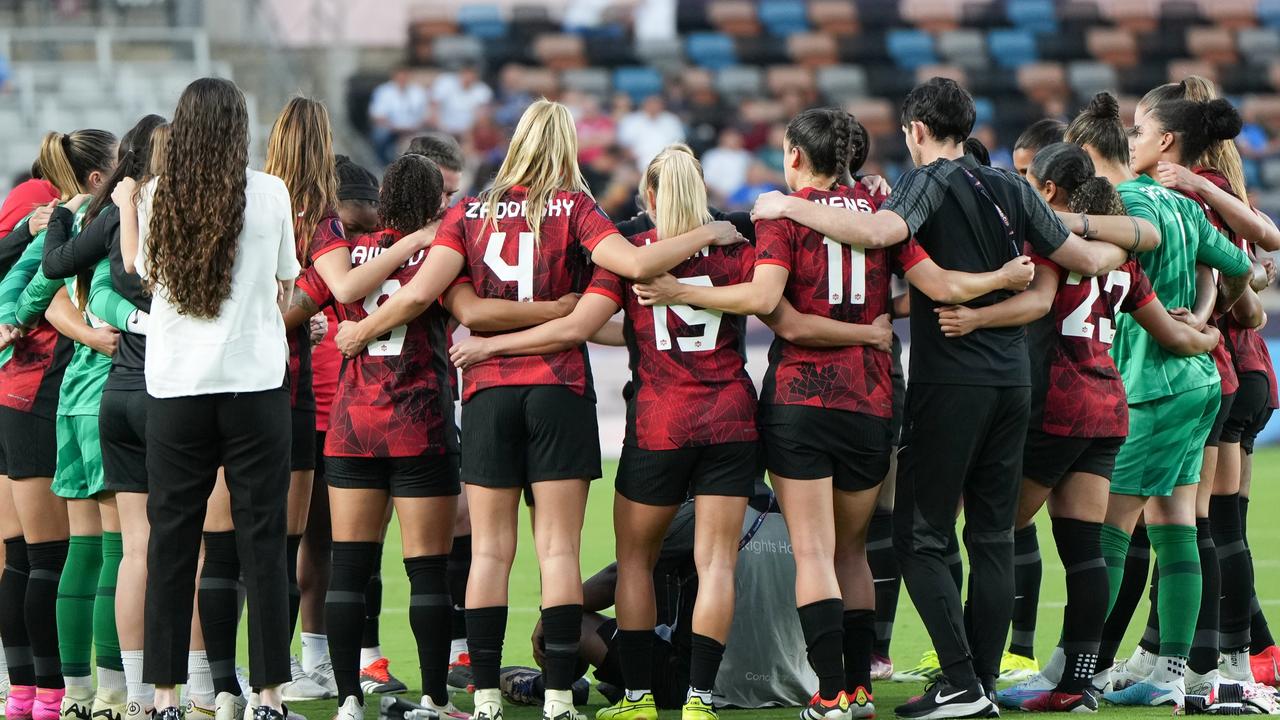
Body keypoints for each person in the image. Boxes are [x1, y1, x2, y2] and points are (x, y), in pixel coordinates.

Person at [745, 78, 1157, 719]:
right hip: (1013, 383)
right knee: (993, 535)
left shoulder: (929, 180)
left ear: (914, 130)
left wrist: (790, 207)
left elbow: (884, 233)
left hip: (951, 385)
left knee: (922, 535)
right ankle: (982, 686)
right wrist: (1136, 232)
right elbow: (1077, 253)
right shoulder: (1015, 187)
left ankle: (960, 684)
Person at [334, 99, 746, 720]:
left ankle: (489, 695)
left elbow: (438, 298)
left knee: (492, 552)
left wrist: (363, 332)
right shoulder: (578, 208)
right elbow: (632, 267)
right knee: (558, 551)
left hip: (490, 393)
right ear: (565, 146)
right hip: (559, 390)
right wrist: (709, 231)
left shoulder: (470, 212)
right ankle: (557, 696)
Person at [447, 143, 768, 720]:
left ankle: (639, 697)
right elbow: (765, 302)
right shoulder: (735, 247)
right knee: (717, 562)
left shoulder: (628, 253)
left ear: (648, 195)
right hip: (730, 417)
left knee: (635, 562)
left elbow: (581, 327)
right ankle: (699, 700)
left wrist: (493, 344)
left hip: (660, 420)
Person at [925, 142, 1216, 712]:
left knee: (993, 533)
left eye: (1030, 179)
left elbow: (1035, 304)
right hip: (1106, 409)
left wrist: (975, 315)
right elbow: (1175, 335)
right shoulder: (1118, 257)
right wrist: (1206, 336)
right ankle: (1077, 685)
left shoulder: (1044, 247)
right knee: (1083, 546)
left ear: (1051, 190)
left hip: (1051, 407)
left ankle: (971, 674)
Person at [115, 77, 298, 720]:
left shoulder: (161, 194)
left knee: (172, 542)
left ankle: (164, 696)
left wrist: (129, 205)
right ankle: (270, 694)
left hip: (178, 389)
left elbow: (138, 271)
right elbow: (285, 286)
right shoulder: (271, 191)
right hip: (253, 385)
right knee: (263, 541)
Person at [1062, 91, 1251, 707]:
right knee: (1174, 524)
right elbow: (1239, 267)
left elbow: (1103, 251)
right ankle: (1175, 674)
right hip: (1199, 384)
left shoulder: (1134, 204)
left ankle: (1081, 670)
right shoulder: (1181, 202)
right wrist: (1203, 316)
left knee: (1109, 529)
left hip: (1150, 386)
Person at [1138, 78, 1280, 689]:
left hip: (1215, 368)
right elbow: (1255, 266)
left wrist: (1209, 312)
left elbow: (1243, 290)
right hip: (1244, 370)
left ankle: (1220, 665)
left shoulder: (1191, 192)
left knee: (1194, 528)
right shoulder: (1223, 190)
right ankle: (1229, 658)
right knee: (1210, 527)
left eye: (1141, 126)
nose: (1133, 136)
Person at [0, 127, 116, 720]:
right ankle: (63, 692)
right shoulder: (63, 212)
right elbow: (24, 284)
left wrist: (10, 315)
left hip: (27, 393)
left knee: (26, 555)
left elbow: (16, 285)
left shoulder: (57, 211)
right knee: (61, 555)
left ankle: (32, 693)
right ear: (98, 175)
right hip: (47, 392)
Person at [368, 67, 429, 164]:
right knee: (380, 134)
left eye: (405, 76)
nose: (402, 79)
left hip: (414, 129)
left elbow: (426, 114)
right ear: (394, 77)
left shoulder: (418, 91)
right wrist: (396, 128)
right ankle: (381, 164)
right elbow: (377, 116)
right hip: (391, 128)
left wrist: (415, 126)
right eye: (400, 77)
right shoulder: (383, 91)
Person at [618, 96, 686, 171]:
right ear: (644, 105)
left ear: (662, 106)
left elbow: (679, 143)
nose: (653, 107)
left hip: (667, 162)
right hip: (637, 163)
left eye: (656, 104)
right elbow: (623, 145)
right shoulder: (631, 120)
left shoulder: (671, 120)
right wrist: (632, 160)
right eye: (650, 104)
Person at [430, 65, 494, 137]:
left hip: (468, 132)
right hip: (442, 129)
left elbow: (482, 116)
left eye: (471, 76)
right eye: (466, 75)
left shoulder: (483, 90)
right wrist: (441, 128)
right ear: (460, 74)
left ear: (476, 77)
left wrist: (468, 132)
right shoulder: (446, 82)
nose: (468, 79)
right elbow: (433, 107)